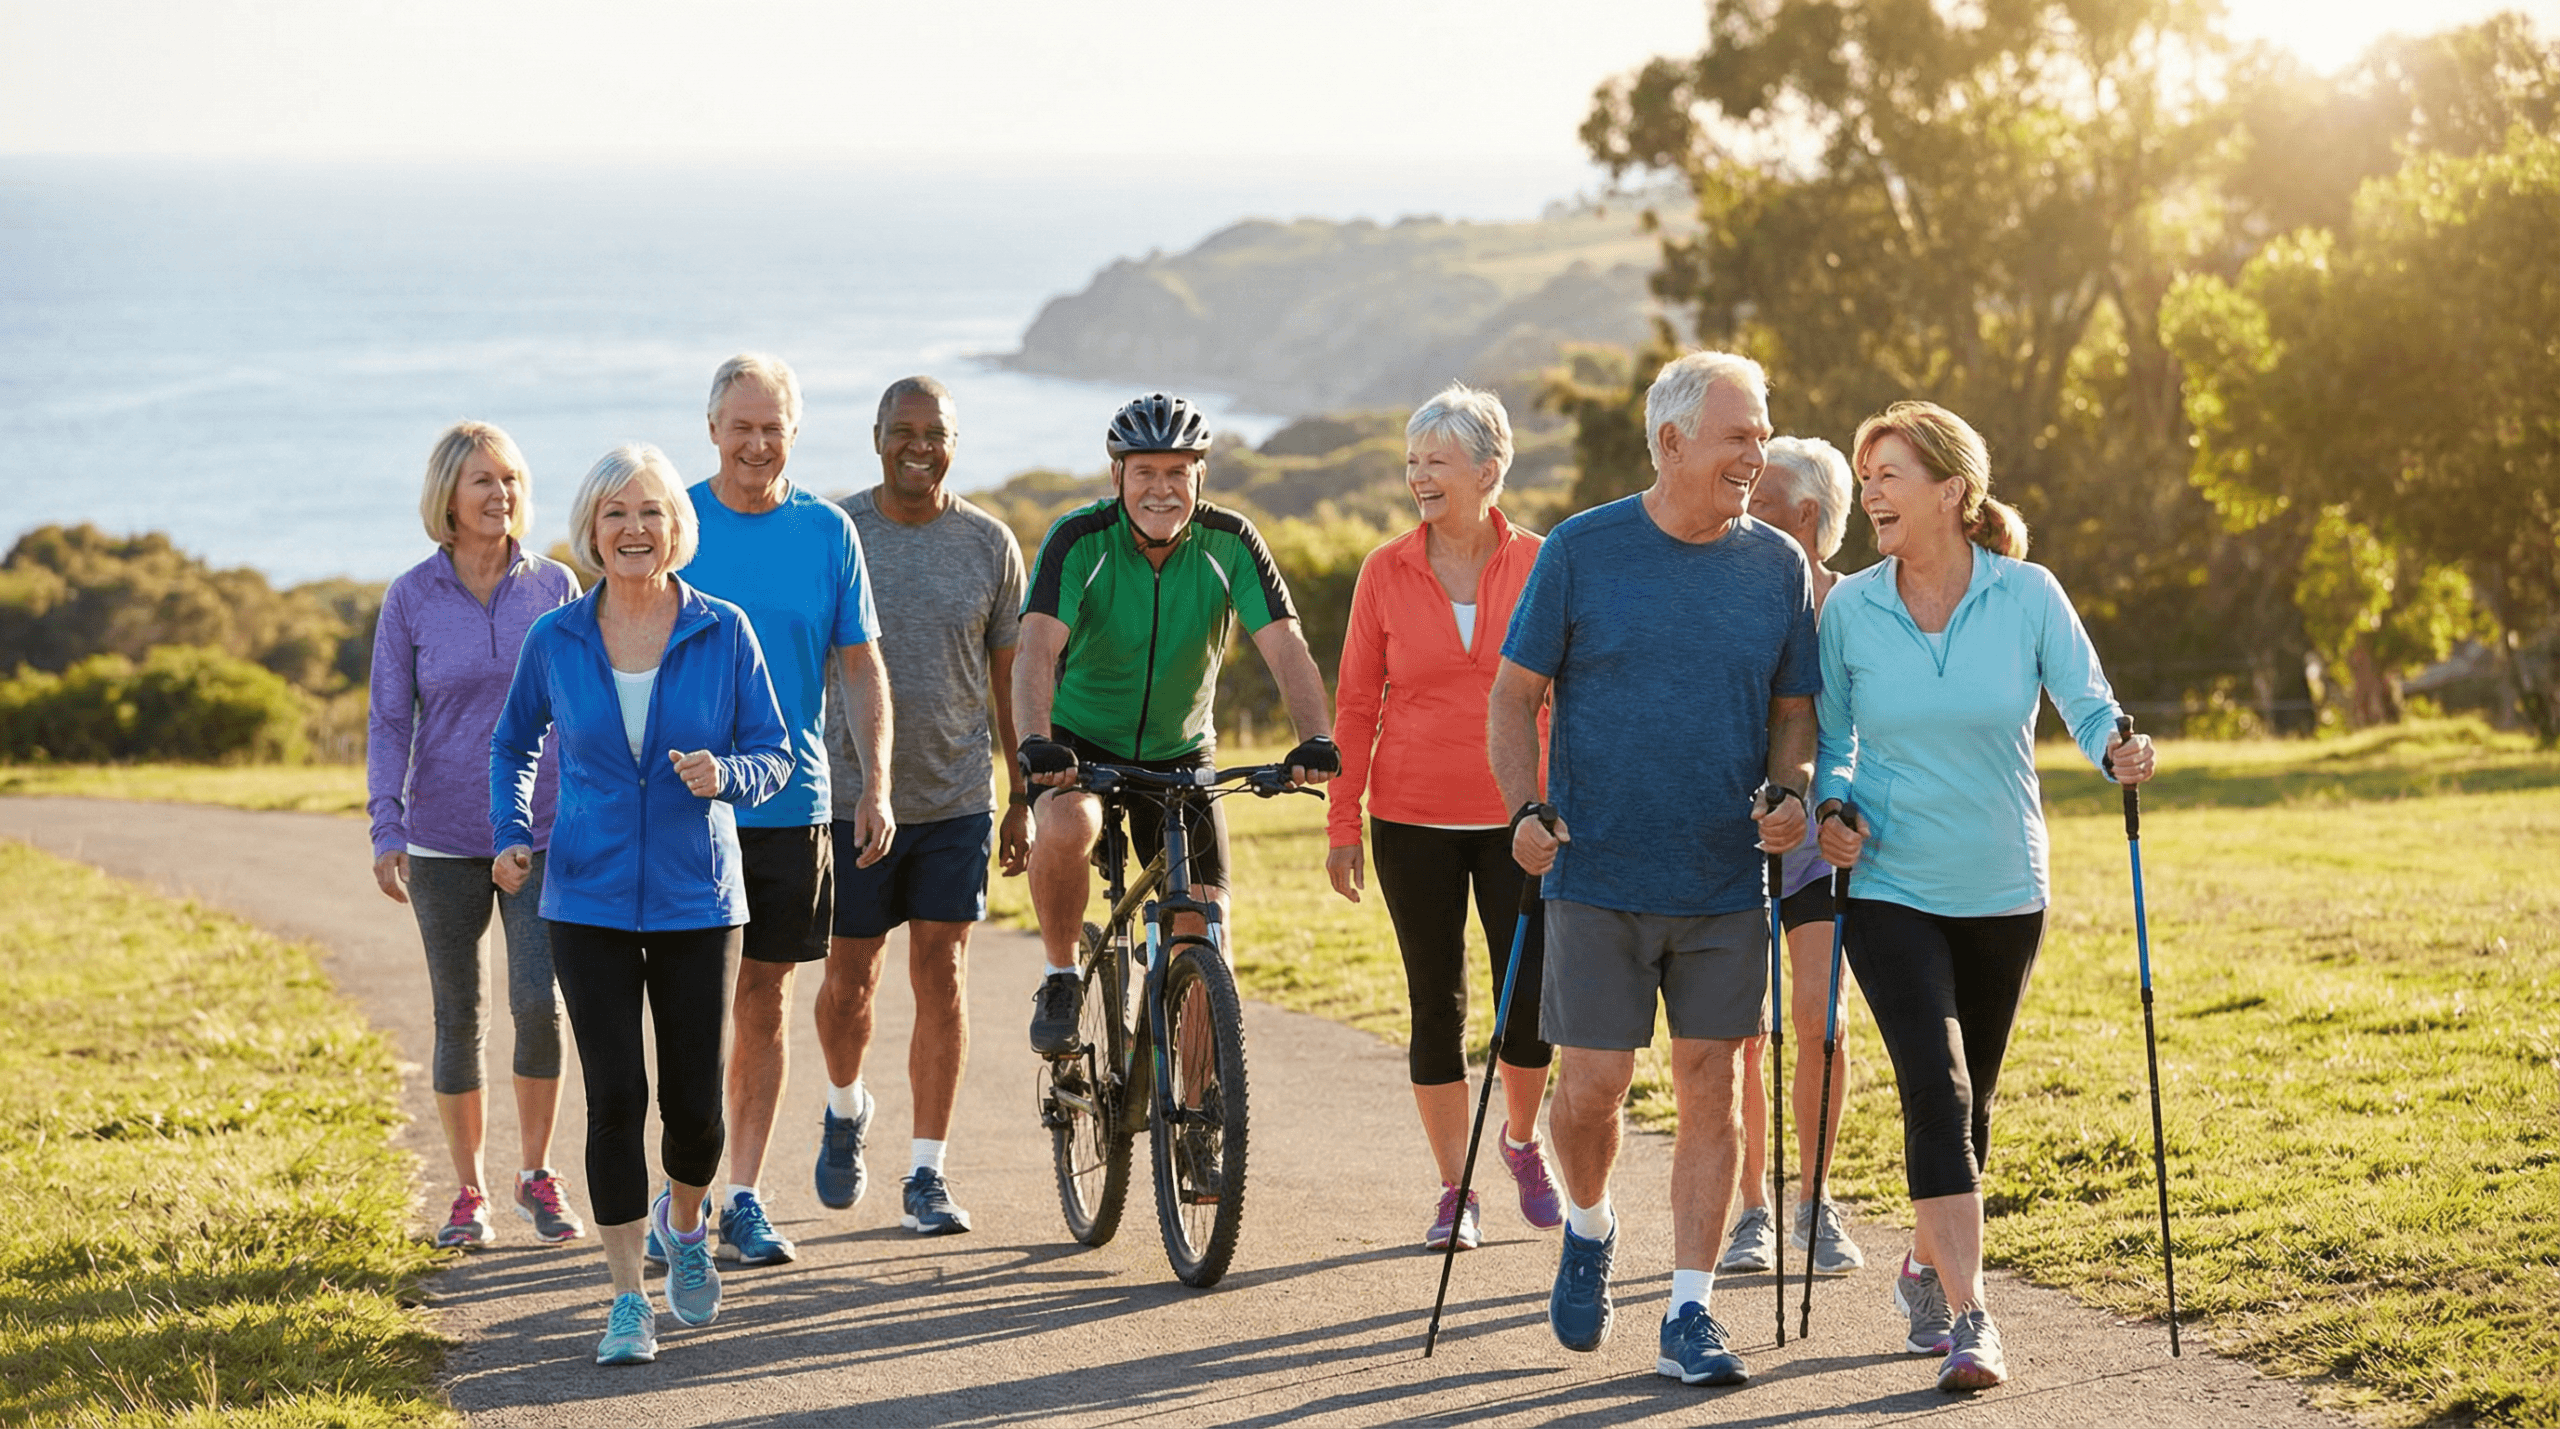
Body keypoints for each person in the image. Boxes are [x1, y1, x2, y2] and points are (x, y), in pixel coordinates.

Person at [1487, 350, 1816, 1389]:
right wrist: (1523, 809)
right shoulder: (1584, 549)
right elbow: (1510, 699)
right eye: (1738, 435)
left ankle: (1688, 1309)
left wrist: (1790, 791)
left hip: (1722, 879)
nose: (1755, 453)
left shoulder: (1776, 566)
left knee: (1712, 1084)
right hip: (1595, 875)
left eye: (1762, 434)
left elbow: (1794, 716)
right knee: (1589, 1089)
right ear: (1671, 442)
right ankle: (1588, 1223)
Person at [1812, 400, 2155, 1393]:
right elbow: (1834, 738)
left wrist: (2117, 751)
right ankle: (1971, 1317)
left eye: (1887, 474)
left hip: (2004, 885)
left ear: (1950, 490)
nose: (1868, 492)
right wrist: (1832, 802)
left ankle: (1926, 1258)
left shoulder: (2027, 595)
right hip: (1887, 882)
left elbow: (2088, 703)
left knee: (1975, 1104)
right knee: (1938, 1082)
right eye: (1863, 475)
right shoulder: (1851, 611)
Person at [490, 443, 792, 1366]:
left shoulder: (724, 628)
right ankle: (627, 1297)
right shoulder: (557, 638)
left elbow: (775, 752)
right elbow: (514, 746)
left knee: (695, 1106)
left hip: (699, 895)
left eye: (651, 511)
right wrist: (511, 830)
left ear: (676, 528)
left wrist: (726, 773)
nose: (634, 529)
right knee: (617, 1094)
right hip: (583, 895)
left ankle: (688, 1222)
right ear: (590, 529)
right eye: (616, 513)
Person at [1015, 393, 1341, 1074]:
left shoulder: (1231, 541)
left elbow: (1286, 647)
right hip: (1080, 744)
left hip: (1183, 752)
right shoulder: (1080, 540)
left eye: (1178, 472)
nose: (1161, 489)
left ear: (1200, 476)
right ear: (1117, 477)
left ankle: (1198, 1122)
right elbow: (1036, 650)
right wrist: (1036, 743)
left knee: (1203, 932)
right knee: (1068, 828)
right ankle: (1060, 975)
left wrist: (1315, 737)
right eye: (1145, 473)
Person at [1324, 382, 1561, 1253]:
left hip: (1522, 818)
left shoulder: (1544, 561)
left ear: (1488, 469)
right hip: (1412, 817)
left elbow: (1571, 693)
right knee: (1437, 1004)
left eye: (1437, 460)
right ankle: (1453, 1190)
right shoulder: (1384, 570)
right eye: (1412, 460)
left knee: (1529, 999)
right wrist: (1342, 822)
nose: (1419, 475)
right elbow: (1355, 704)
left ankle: (1520, 1141)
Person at [670, 353, 891, 1269]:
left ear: (793, 433)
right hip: (682, 805)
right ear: (713, 428)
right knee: (685, 1008)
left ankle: (744, 1195)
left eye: (774, 427)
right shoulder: (674, 521)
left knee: (763, 999)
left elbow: (861, 666)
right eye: (741, 425)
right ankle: (680, 1190)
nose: (757, 442)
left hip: (793, 803)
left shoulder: (828, 532)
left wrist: (874, 781)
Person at [812, 376, 1028, 1236]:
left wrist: (1021, 796)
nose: (918, 445)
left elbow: (1011, 683)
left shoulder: (989, 543)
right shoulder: (840, 533)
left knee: (942, 975)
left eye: (933, 431)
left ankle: (927, 1171)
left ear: (952, 440)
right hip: (848, 795)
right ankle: (843, 1105)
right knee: (848, 981)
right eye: (902, 430)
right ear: (875, 439)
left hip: (955, 799)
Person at [368, 421, 583, 1251]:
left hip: (543, 831)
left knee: (539, 1000)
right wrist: (386, 825)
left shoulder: (556, 586)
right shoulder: (411, 597)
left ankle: (537, 1172)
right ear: (448, 497)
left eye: (511, 479)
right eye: (483, 481)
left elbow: (584, 706)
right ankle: (469, 1193)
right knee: (459, 1014)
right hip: (442, 837)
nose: (501, 494)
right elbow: (390, 720)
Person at [1719, 435, 1867, 1277]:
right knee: (1743, 1033)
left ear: (1807, 516)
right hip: (1738, 846)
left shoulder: (1855, 608)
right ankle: (1752, 1212)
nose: (1744, 505)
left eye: (1763, 498)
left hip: (1823, 852)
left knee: (1822, 1024)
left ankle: (1814, 1198)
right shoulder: (1737, 589)